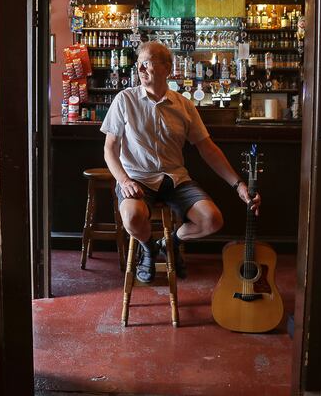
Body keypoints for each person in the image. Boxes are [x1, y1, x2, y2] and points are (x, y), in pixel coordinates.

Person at [101, 41, 260, 283]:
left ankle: (170, 242)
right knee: (132, 217)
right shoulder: (125, 100)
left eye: (147, 63)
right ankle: (148, 248)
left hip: (175, 179)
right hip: (137, 179)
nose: (140, 69)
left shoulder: (184, 105)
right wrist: (123, 180)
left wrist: (238, 184)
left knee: (212, 220)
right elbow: (109, 149)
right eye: (138, 64)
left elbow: (207, 148)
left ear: (167, 68)